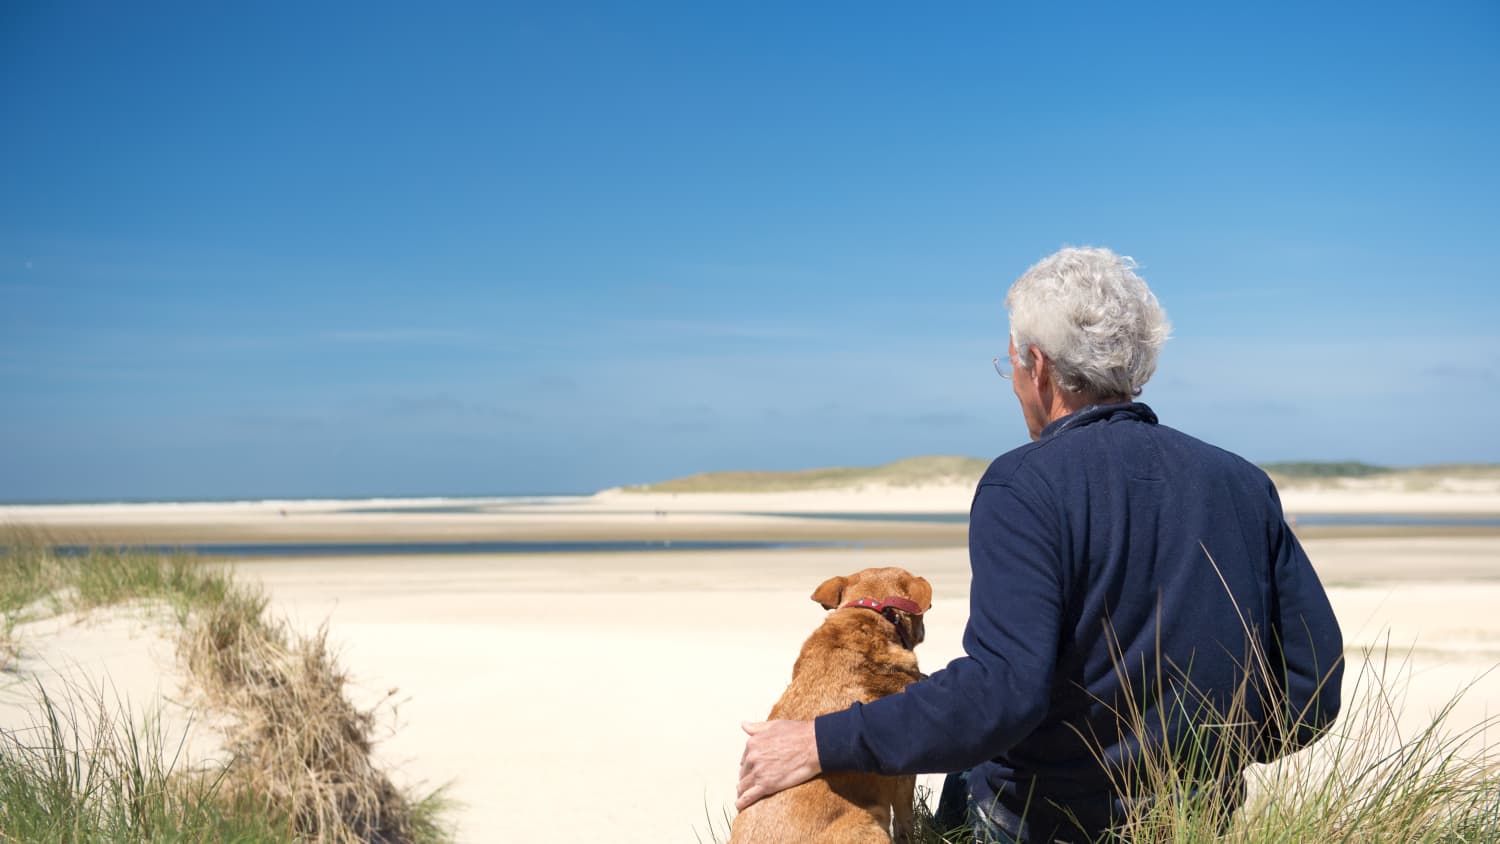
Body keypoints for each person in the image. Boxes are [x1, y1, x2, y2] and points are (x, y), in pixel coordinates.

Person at [736, 247, 1344, 842]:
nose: (1016, 383)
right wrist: (1202, 761)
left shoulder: (1022, 484)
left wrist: (822, 740)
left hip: (1044, 820)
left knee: (969, 774)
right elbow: (1312, 685)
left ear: (1039, 367)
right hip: (1201, 816)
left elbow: (1001, 692)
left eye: (1011, 368)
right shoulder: (1241, 482)